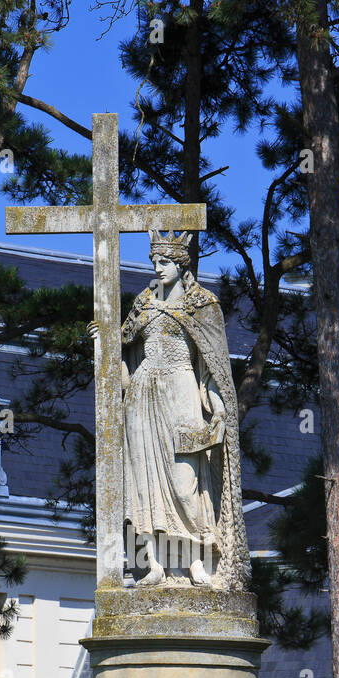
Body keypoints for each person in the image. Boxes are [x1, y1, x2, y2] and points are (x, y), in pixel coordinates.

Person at [90, 229, 250, 591]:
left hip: (182, 394)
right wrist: (104, 342)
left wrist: (220, 408)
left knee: (185, 482)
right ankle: (155, 566)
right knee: (144, 483)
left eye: (165, 263)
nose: (158, 269)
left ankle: (196, 560)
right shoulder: (143, 303)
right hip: (144, 398)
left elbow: (211, 366)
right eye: (155, 262)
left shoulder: (202, 304)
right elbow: (124, 351)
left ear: (182, 263)